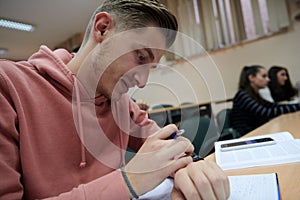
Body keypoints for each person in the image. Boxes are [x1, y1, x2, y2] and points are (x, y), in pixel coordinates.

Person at [0, 0, 229, 199]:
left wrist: (192, 166)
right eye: (140, 56)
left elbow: (167, 142)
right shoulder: (8, 86)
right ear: (102, 29)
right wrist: (130, 180)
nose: (142, 82)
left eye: (150, 68)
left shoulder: (120, 102)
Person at [231, 65, 300, 136]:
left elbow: (273, 106)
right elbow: (266, 113)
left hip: (257, 130)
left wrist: (297, 106)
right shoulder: (243, 95)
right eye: (264, 76)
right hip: (248, 134)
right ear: (251, 78)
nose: (268, 79)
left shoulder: (255, 95)